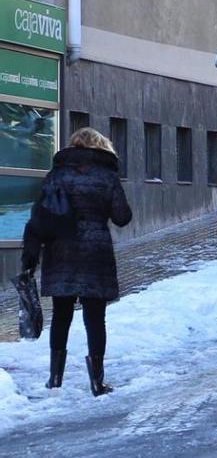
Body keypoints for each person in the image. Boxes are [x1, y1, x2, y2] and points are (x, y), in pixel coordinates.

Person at [21, 127, 132, 396]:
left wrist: (30, 258)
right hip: (95, 252)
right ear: (100, 146)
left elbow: (38, 217)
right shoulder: (107, 175)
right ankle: (97, 382)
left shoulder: (57, 175)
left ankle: (55, 378)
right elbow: (122, 217)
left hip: (61, 251)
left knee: (61, 316)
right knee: (95, 318)